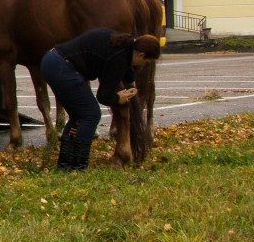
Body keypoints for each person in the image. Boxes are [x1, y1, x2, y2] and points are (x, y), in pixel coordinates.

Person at [40, 28, 162, 171]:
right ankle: (78, 166)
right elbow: (103, 96)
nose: (143, 65)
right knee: (91, 115)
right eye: (146, 61)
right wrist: (118, 98)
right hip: (63, 68)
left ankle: (66, 164)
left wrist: (131, 83)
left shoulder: (124, 43)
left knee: (78, 116)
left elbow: (126, 70)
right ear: (141, 54)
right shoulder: (119, 57)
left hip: (51, 60)